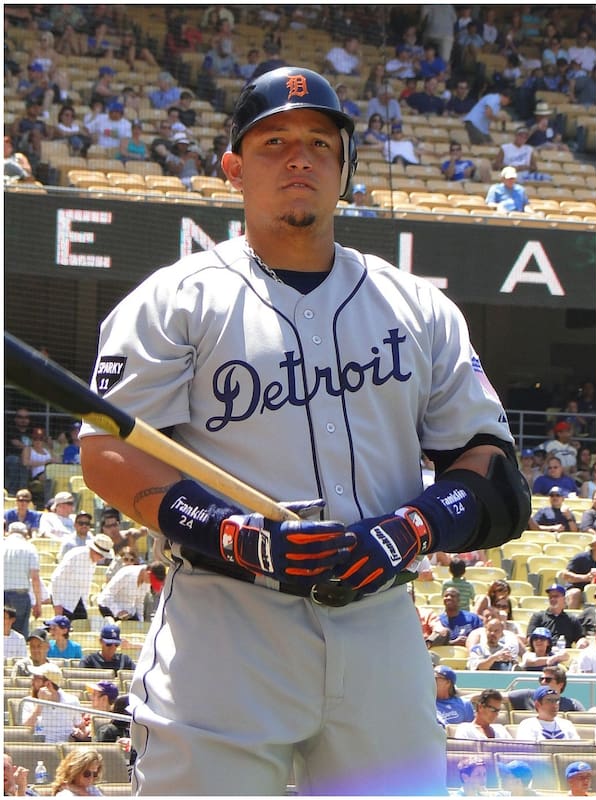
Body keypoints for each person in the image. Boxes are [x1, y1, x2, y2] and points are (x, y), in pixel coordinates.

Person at [78, 66, 530, 796]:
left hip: (381, 626)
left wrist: (411, 528)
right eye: (274, 142)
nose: (300, 158)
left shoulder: (418, 306)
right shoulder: (174, 299)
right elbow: (107, 454)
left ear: (344, 169)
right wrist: (232, 532)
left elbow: (491, 469)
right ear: (234, 169)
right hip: (225, 626)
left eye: (321, 143)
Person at [49, 534, 113, 622]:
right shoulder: (75, 555)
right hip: (62, 599)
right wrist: (57, 605)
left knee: (82, 624)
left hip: (78, 601)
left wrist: (85, 604)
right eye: (101, 555)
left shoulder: (93, 562)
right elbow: (56, 578)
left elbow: (85, 586)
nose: (101, 558)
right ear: (94, 550)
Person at [21, 662, 83, 744]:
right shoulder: (29, 701)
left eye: (36, 678)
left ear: (48, 684)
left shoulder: (72, 701)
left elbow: (80, 727)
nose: (32, 681)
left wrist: (79, 733)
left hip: (66, 747)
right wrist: (40, 704)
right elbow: (25, 729)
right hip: (40, 748)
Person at [2, 523, 43, 637]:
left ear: (9, 532)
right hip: (19, 596)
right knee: (18, 634)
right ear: (26, 534)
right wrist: (38, 603)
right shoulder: (30, 548)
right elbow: (35, 577)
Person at [513, 686, 580, 741]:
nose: (555, 705)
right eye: (550, 700)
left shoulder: (567, 725)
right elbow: (527, 750)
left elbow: (577, 748)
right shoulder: (528, 725)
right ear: (538, 704)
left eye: (557, 701)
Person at [21, 427, 55, 506]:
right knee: (48, 480)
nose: (38, 441)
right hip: (37, 475)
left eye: (41, 439)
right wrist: (44, 462)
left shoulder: (47, 450)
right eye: (35, 439)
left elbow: (56, 459)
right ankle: (47, 504)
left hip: (51, 472)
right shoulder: (28, 449)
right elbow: (25, 462)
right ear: (32, 440)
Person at [560, 539, 596, 609]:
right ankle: (572, 615)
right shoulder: (581, 558)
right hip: (578, 589)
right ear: (594, 545)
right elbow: (565, 575)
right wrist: (585, 578)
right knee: (575, 593)